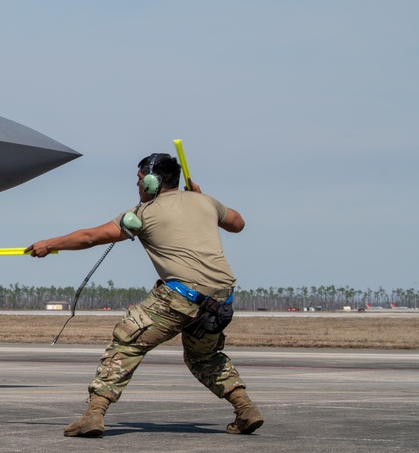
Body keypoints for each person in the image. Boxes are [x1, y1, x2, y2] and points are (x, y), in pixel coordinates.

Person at [27, 152, 264, 437]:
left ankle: (93, 415)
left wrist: (49, 244)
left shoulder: (142, 214)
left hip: (180, 296)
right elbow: (238, 224)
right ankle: (245, 409)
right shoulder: (206, 202)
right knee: (204, 358)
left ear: (152, 183)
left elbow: (91, 237)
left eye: (140, 180)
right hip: (220, 301)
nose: (137, 186)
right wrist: (203, 199)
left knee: (126, 344)